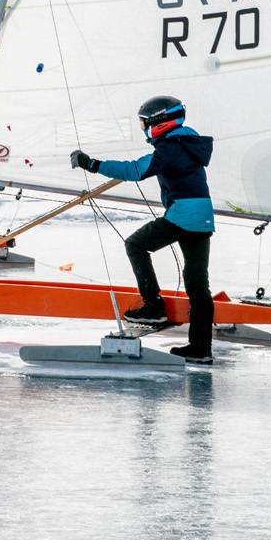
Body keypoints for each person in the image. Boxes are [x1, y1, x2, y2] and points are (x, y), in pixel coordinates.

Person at [69, 95, 216, 364]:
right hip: (203, 216)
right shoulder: (188, 143)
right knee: (197, 283)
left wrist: (92, 164)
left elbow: (136, 170)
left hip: (183, 215)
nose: (143, 129)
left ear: (159, 122)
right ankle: (201, 349)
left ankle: (153, 307)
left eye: (143, 124)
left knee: (135, 245)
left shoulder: (171, 148)